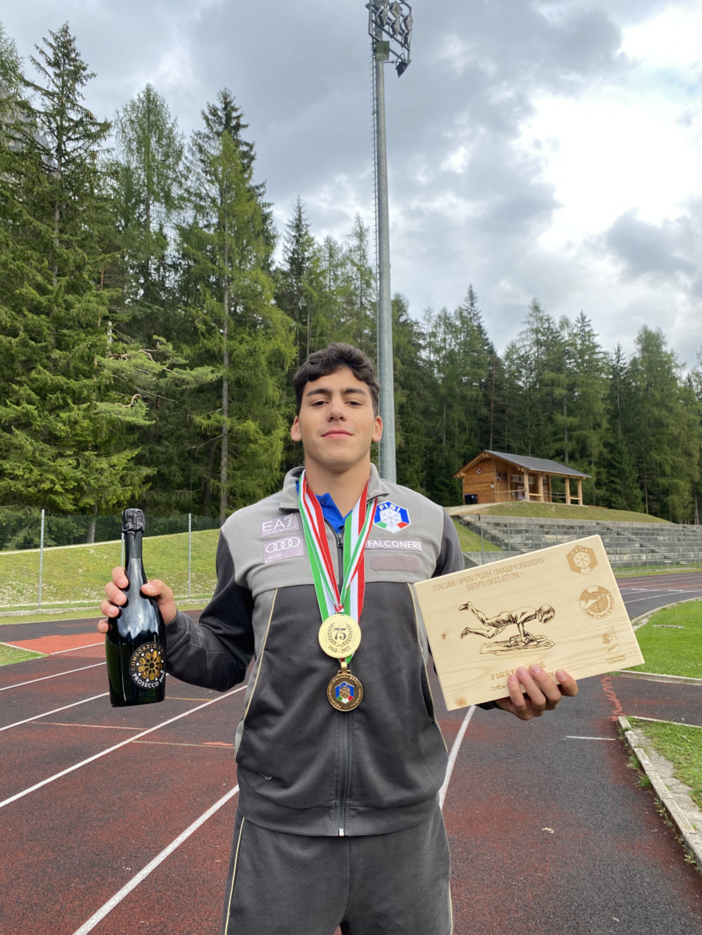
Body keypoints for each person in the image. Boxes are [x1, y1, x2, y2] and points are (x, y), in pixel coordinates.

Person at [98, 343, 578, 935]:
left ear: (375, 425)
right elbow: (224, 657)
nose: (335, 411)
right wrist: (169, 627)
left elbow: (468, 648)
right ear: (296, 425)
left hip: (402, 821)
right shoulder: (246, 531)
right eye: (318, 400)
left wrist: (511, 692)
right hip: (280, 824)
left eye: (353, 400)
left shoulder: (427, 524)